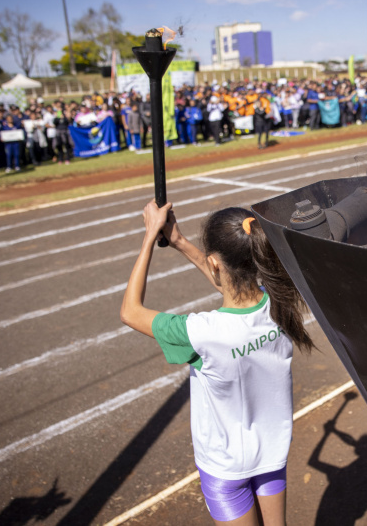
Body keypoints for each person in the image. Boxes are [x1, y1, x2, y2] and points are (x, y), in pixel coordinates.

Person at [120, 202, 314, 526]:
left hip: (225, 470)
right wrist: (180, 241)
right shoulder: (279, 303)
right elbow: (233, 285)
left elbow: (130, 311)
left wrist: (150, 234)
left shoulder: (202, 333)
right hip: (271, 455)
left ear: (214, 263)